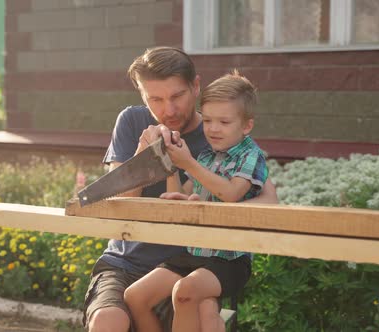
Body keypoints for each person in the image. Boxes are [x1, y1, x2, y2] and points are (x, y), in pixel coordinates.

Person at [83, 46, 279, 332]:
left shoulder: (220, 129)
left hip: (194, 262)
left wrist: (206, 203)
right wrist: (143, 156)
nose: (169, 110)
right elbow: (119, 208)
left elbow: (269, 201)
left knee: (201, 313)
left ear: (196, 86)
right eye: (156, 100)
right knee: (107, 321)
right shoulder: (132, 121)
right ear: (142, 96)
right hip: (126, 262)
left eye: (177, 96)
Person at [124, 71, 268, 332]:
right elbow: (187, 193)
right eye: (209, 120)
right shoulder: (206, 156)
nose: (213, 128)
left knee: (185, 292)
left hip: (229, 259)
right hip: (195, 253)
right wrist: (170, 166)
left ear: (246, 125)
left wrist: (188, 162)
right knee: (135, 296)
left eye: (224, 122)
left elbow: (231, 194)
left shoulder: (250, 155)